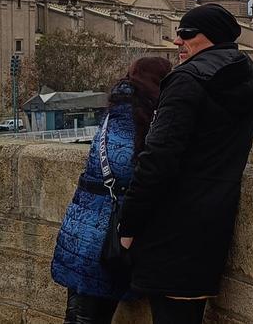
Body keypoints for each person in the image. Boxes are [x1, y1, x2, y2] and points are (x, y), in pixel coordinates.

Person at [117, 3, 253, 324]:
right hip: (214, 216)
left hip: (172, 222)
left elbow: (158, 159)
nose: (177, 41)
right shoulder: (244, 73)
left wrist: (129, 225)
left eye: (185, 34)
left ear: (210, 37)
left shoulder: (186, 79)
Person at [51, 56, 174, 324]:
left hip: (81, 227)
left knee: (78, 312)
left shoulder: (113, 114)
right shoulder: (138, 120)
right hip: (104, 232)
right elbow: (133, 173)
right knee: (88, 316)